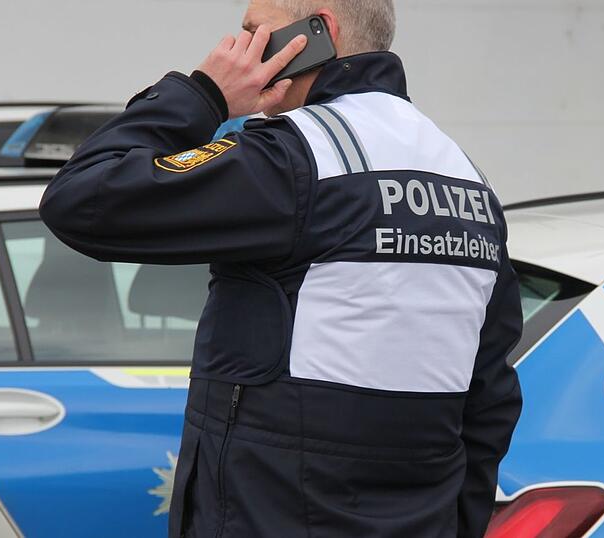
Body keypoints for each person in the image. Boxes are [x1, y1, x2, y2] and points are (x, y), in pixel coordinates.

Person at [39, 0, 522, 536]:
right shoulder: (465, 177)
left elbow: (82, 200)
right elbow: (489, 402)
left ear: (319, 32)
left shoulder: (295, 157)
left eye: (253, 33)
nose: (236, 49)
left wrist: (204, 93)